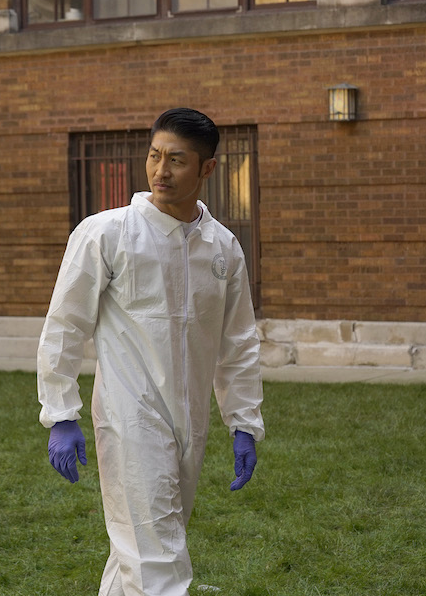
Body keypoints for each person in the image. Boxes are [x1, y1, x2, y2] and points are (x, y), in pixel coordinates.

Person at [37, 108, 265, 595]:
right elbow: (65, 325)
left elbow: (238, 342)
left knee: (140, 550)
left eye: (176, 160)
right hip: (130, 417)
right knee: (157, 556)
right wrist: (60, 413)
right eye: (154, 156)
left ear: (206, 168)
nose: (161, 170)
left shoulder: (222, 248)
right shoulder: (107, 233)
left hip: (191, 421)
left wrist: (243, 421)